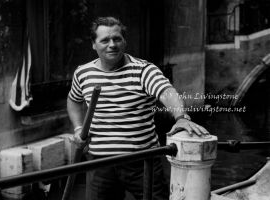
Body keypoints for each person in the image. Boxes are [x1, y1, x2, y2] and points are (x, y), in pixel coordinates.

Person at [67, 16, 209, 200]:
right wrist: (78, 128)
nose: (112, 45)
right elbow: (73, 100)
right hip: (99, 164)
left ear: (124, 41)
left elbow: (166, 92)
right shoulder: (83, 73)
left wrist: (180, 116)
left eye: (117, 39)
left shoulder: (143, 70)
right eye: (105, 40)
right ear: (94, 44)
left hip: (142, 162)